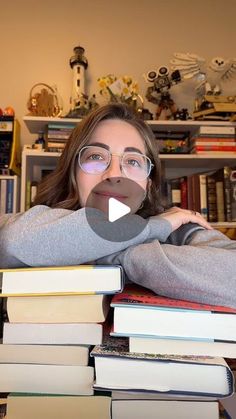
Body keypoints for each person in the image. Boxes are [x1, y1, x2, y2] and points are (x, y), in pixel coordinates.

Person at [0, 103, 236, 308]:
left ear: (148, 185)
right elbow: (10, 241)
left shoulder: (180, 229)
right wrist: (150, 229)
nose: (114, 174)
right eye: (95, 157)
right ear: (73, 173)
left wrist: (114, 253)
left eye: (132, 161)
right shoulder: (42, 223)